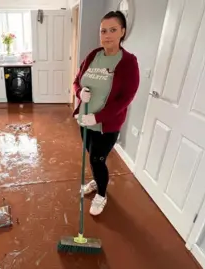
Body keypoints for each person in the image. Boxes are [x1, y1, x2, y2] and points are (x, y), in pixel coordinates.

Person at [73, 11, 140, 216]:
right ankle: (96, 180)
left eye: (112, 30)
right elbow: (77, 81)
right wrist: (79, 92)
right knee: (91, 155)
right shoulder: (94, 55)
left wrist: (98, 117)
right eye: (103, 30)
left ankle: (101, 194)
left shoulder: (128, 62)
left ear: (122, 32)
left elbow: (125, 99)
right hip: (85, 121)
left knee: (97, 160)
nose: (107, 35)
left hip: (106, 125)